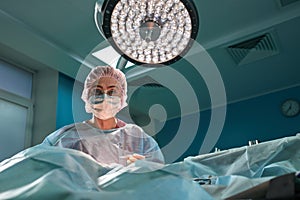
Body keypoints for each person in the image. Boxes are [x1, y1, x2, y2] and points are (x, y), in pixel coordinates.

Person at [42, 66, 164, 166]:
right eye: (97, 91)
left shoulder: (137, 136)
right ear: (87, 96)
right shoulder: (65, 137)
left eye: (112, 92)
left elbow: (159, 176)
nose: (105, 97)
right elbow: (38, 165)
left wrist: (146, 168)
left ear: (122, 98)